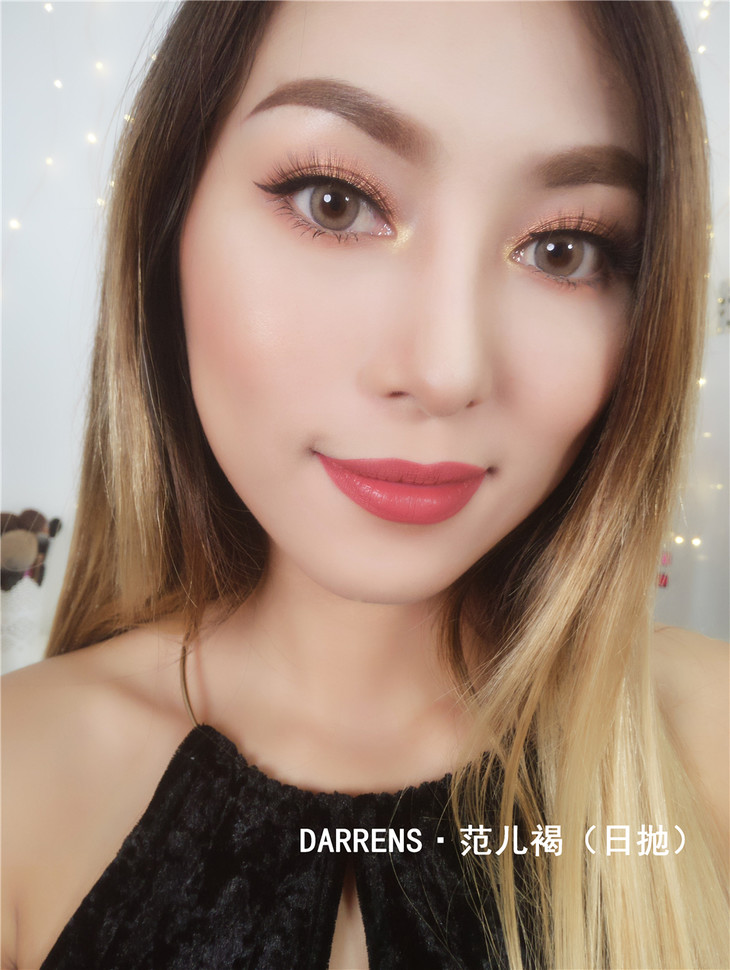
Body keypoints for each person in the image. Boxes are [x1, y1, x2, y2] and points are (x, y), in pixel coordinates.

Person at [2, 2, 728, 967]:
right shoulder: (19, 781)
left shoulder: (710, 744)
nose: (446, 370)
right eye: (334, 202)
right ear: (170, 224)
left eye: (565, 249)